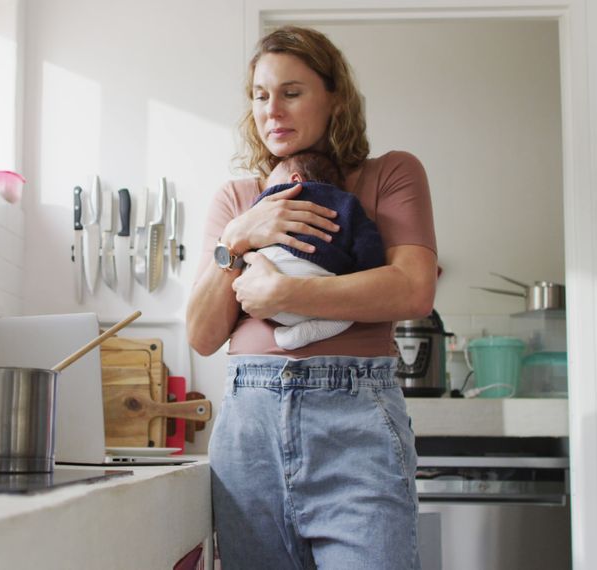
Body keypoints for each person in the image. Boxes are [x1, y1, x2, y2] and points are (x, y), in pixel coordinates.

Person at [186, 25, 437, 570]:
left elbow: (414, 289)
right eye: (259, 95)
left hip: (356, 427)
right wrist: (238, 236)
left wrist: (287, 291)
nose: (271, 110)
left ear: (335, 98)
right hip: (249, 432)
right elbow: (203, 335)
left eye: (291, 92)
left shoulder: (389, 174)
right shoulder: (236, 198)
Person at [255, 151, 386, 350]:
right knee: (348, 315)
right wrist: (364, 270)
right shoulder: (347, 203)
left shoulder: (271, 199)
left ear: (295, 180)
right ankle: (301, 334)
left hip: (264, 284)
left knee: (248, 266)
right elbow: (368, 245)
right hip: (320, 285)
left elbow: (251, 232)